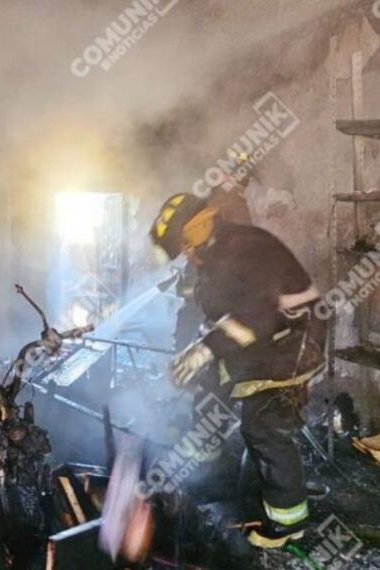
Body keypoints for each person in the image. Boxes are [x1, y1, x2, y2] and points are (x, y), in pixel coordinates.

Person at [149, 192, 326, 548]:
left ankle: (289, 520)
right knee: (208, 381)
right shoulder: (214, 251)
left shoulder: (245, 248)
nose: (186, 254)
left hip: (292, 342)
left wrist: (206, 349)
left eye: (185, 244)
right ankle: (208, 459)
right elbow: (217, 313)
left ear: (201, 228)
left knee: (263, 426)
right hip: (263, 336)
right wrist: (193, 351)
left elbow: (256, 315)